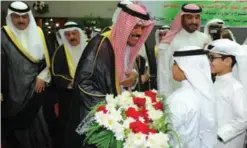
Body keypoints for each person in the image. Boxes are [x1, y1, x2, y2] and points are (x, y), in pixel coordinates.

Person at [64, 3, 154, 148]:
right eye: (136, 26)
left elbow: (129, 78)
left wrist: (135, 79)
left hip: (121, 121)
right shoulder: (100, 45)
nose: (139, 32)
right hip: (100, 122)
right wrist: (112, 107)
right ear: (124, 24)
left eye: (143, 28)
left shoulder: (130, 47)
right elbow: (83, 84)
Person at [1, 1, 52, 148]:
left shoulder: (39, 33)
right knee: (15, 131)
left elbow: (48, 58)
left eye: (24, 17)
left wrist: (43, 76)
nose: (21, 20)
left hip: (35, 89)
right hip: (12, 91)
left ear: (29, 17)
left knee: (38, 125)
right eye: (17, 17)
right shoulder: (3, 35)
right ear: (11, 17)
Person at [167, 46, 217, 148]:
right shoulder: (206, 92)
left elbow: (168, 132)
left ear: (184, 67)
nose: (172, 67)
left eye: (175, 63)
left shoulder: (179, 98)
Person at [158, 3, 211, 97]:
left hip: (201, 93)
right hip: (176, 93)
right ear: (181, 18)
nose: (194, 21)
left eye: (197, 17)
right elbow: (163, 72)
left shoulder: (205, 39)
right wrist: (164, 96)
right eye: (189, 17)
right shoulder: (169, 41)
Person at [51, 21, 87, 147]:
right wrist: (70, 82)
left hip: (88, 95)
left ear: (80, 34)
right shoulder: (60, 51)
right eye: (68, 34)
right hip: (68, 96)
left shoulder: (89, 48)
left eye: (74, 33)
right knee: (68, 125)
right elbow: (55, 73)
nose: (71, 37)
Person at [206, 39, 247, 148]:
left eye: (212, 58)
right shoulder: (216, 82)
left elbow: (243, 119)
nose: (209, 62)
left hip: (226, 142)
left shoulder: (235, 87)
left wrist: (220, 135)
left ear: (228, 61)